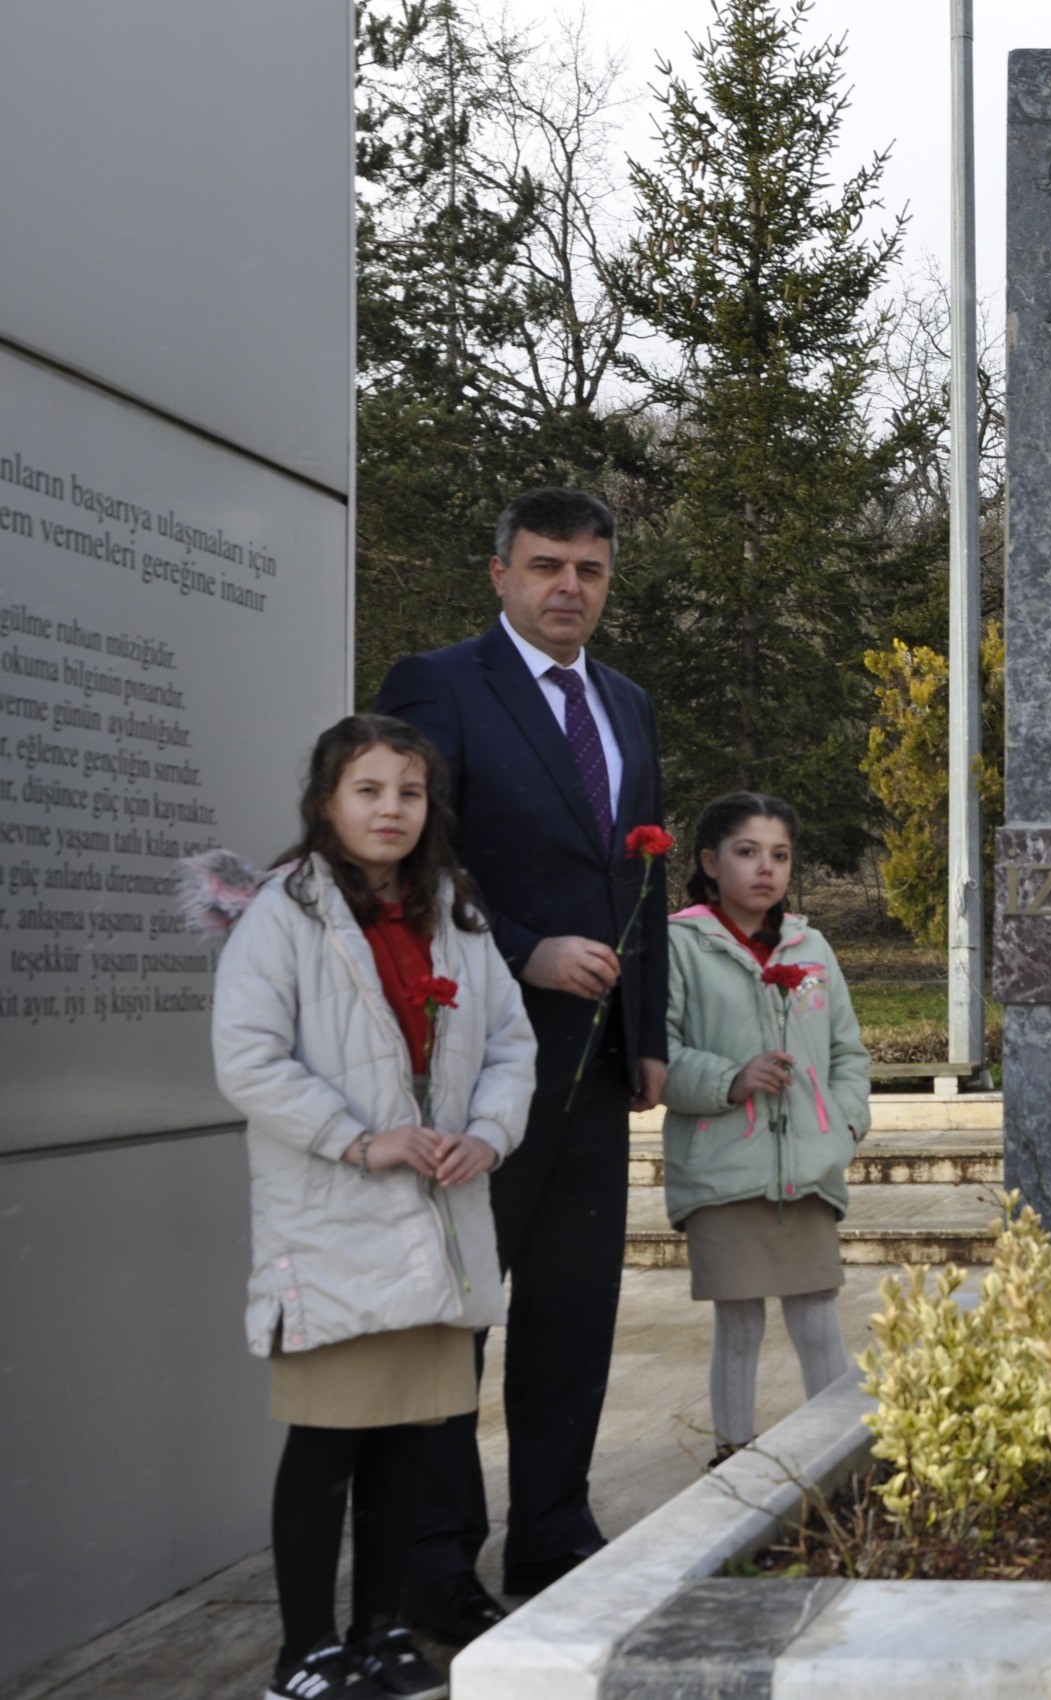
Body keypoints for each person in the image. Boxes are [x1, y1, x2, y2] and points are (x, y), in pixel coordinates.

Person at [376, 487, 668, 1639]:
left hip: (592, 1068)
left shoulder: (629, 703)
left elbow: (636, 879)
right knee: (461, 1308)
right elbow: (402, 860)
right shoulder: (437, 685)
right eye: (546, 565)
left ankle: (554, 1525)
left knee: (574, 1308)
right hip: (470, 1058)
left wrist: (645, 1032)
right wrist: (519, 951)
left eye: (590, 569)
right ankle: (438, 1556)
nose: (569, 587)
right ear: (497, 574)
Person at [212, 715, 537, 1700]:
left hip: (438, 1215)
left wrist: (487, 1130)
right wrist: (363, 1137)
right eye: (368, 789)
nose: (390, 808)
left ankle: (384, 1627)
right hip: (338, 1219)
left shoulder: (455, 910)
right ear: (325, 802)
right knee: (326, 1445)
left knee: (412, 1436)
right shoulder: (285, 912)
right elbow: (249, 1059)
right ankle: (305, 1650)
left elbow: (510, 1044)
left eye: (408, 790)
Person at [661, 793, 872, 1461]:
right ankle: (734, 1453)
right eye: (746, 852)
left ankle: (839, 1454)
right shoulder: (679, 945)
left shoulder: (812, 947)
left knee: (816, 1314)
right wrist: (730, 1078)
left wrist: (842, 1126)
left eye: (779, 855)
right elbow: (656, 1052)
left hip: (807, 1167)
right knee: (740, 1319)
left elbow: (847, 1051)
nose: (765, 868)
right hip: (724, 1167)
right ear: (708, 862)